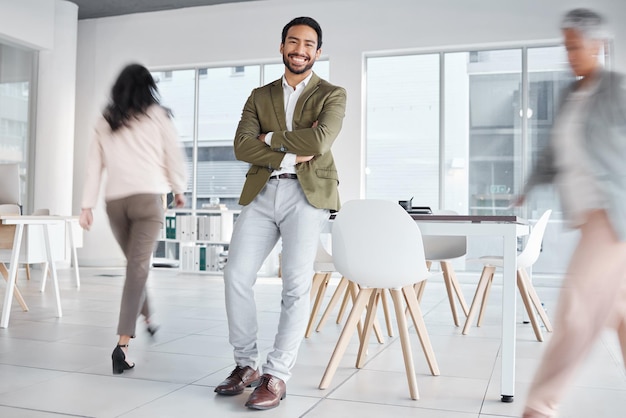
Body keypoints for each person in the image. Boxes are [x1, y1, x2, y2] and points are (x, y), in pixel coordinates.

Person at [214, 16, 346, 410]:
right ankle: (245, 365)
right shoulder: (260, 95)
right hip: (263, 190)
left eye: (308, 44)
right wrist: (289, 151)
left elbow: (321, 141)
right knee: (236, 274)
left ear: (317, 52)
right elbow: (240, 146)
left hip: (307, 195)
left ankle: (277, 375)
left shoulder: (332, 94)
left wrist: (268, 138)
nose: (300, 49)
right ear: (282, 46)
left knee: (295, 286)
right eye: (293, 41)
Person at [517, 9, 626, 418]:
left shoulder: (617, 89)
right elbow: (553, 150)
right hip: (589, 216)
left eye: (575, 46)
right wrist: (528, 185)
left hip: (612, 215)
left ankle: (540, 406)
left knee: (577, 308)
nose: (569, 54)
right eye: (565, 46)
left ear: (598, 45)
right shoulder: (570, 94)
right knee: (619, 310)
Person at [79, 63, 187, 375]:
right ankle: (122, 346)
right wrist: (179, 188)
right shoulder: (158, 114)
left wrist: (86, 205)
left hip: (115, 203)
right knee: (137, 268)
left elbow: (93, 165)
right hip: (148, 200)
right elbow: (173, 156)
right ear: (149, 86)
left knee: (134, 267)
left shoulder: (106, 119)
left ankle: (149, 317)